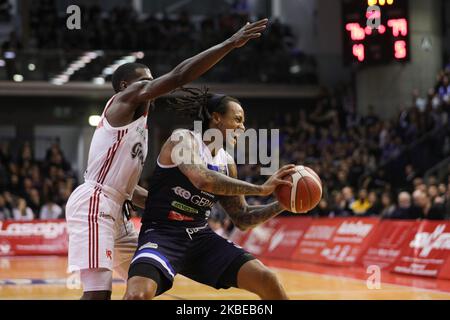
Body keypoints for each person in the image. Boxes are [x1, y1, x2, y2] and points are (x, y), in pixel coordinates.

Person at [65, 19, 269, 300]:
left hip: (119, 209)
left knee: (143, 285)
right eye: (145, 79)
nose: (151, 83)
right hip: (95, 203)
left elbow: (128, 189)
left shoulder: (139, 127)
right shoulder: (123, 103)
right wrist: (229, 44)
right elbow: (179, 76)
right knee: (98, 293)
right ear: (125, 86)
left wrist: (164, 202)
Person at [123, 89, 296, 300]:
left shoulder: (227, 163)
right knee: (137, 296)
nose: (242, 127)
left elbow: (242, 218)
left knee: (267, 279)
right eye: (238, 119)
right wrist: (260, 189)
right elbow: (202, 179)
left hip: (200, 238)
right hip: (162, 234)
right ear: (216, 118)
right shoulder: (182, 139)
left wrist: (284, 203)